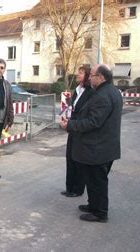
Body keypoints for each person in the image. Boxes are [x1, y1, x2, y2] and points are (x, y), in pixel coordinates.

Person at [60, 64, 123, 223]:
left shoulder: (103, 95)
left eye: (92, 75)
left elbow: (94, 122)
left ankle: (100, 213)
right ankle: (93, 205)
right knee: (93, 180)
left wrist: (71, 125)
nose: (89, 78)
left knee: (97, 181)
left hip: (99, 148)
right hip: (103, 146)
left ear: (101, 77)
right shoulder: (110, 92)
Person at [61, 66, 94, 197]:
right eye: (78, 72)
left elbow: (87, 111)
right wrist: (67, 114)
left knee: (78, 160)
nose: (78, 75)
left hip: (81, 129)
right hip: (72, 127)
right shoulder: (77, 90)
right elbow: (72, 107)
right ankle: (70, 187)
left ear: (87, 76)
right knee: (69, 157)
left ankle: (78, 189)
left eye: (81, 73)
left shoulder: (90, 91)